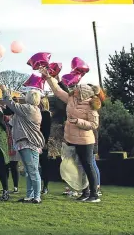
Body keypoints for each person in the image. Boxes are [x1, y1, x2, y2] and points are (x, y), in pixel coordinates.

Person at [41, 67, 103, 203]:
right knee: (78, 166)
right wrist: (48, 78)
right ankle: (84, 192)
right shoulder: (71, 99)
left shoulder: (90, 106)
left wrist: (78, 121)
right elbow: (57, 91)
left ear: (83, 93)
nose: (74, 90)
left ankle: (94, 194)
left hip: (86, 141)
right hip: (71, 139)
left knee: (88, 165)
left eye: (77, 89)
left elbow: (94, 124)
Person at [0, 86, 45, 204]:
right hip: (26, 143)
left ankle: (37, 196)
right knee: (29, 170)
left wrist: (5, 91)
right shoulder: (33, 109)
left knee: (33, 170)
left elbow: (11, 104)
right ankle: (30, 195)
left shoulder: (28, 109)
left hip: (29, 143)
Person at [39, 97, 53, 194]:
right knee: (42, 165)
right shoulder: (41, 113)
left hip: (42, 141)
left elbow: (46, 131)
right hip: (40, 141)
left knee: (44, 165)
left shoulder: (46, 114)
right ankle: (42, 186)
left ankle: (45, 186)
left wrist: (44, 142)